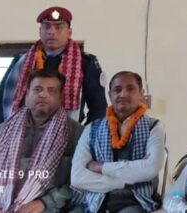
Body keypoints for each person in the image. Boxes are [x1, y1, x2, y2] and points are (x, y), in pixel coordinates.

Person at [0, 70, 82, 213]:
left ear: (60, 97)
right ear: (27, 94)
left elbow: (79, 184)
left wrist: (45, 203)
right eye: (37, 89)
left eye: (51, 91)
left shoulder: (75, 134)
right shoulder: (3, 130)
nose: (43, 95)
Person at [0, 6, 107, 129]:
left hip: (69, 134)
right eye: (47, 27)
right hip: (22, 133)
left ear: (69, 32)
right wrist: (3, 133)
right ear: (40, 31)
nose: (51, 32)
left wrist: (83, 136)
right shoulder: (21, 61)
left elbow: (98, 109)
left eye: (58, 27)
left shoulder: (86, 63)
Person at [70, 71, 166, 213]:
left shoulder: (154, 127)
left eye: (130, 89)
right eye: (117, 90)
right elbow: (77, 178)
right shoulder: (91, 128)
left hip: (137, 200)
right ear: (110, 95)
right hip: (94, 199)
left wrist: (101, 167)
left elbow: (150, 169)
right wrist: (125, 182)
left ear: (141, 94)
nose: (123, 94)